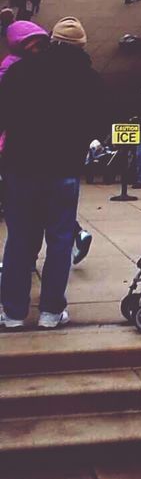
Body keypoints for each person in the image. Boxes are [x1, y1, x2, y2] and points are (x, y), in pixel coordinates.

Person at [0, 17, 106, 329]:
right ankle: (50, 311)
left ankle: (13, 312)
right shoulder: (90, 79)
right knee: (60, 241)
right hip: (64, 170)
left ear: (52, 40)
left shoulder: (20, 71)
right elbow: (97, 124)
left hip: (21, 167)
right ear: (82, 46)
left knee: (20, 239)